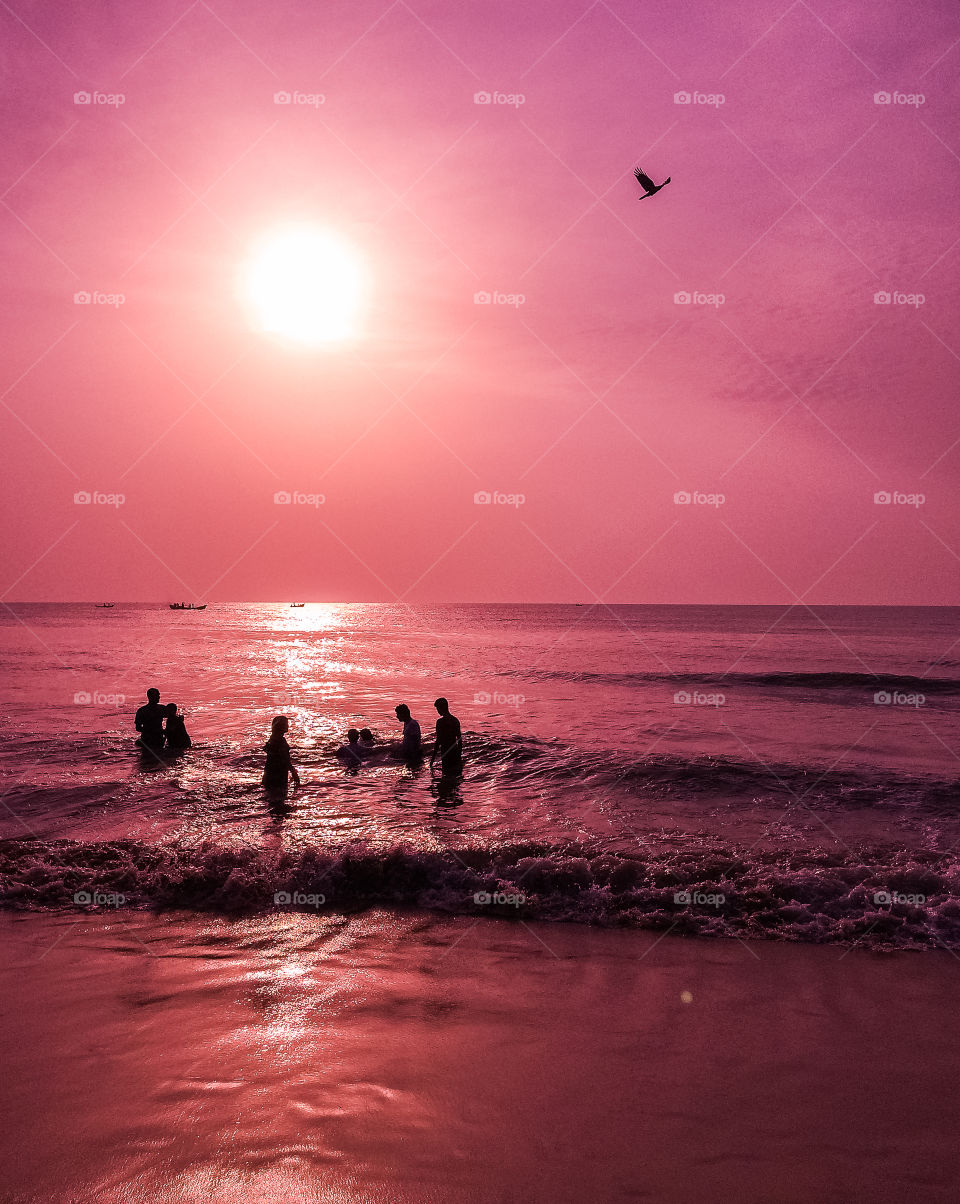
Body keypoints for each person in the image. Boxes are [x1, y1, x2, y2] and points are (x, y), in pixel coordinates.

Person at [263, 716, 301, 794]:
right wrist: (294, 773)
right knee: (279, 796)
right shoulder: (280, 741)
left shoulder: (272, 739)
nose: (288, 726)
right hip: (279, 773)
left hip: (270, 772)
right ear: (280, 726)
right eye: (286, 724)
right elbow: (285, 760)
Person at [431, 697, 463, 777]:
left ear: (441, 708)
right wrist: (459, 756)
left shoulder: (440, 722)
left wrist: (432, 759)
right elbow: (459, 740)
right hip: (455, 752)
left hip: (445, 753)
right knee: (455, 778)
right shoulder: (455, 720)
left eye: (437, 709)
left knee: (446, 777)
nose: (437, 711)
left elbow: (438, 741)